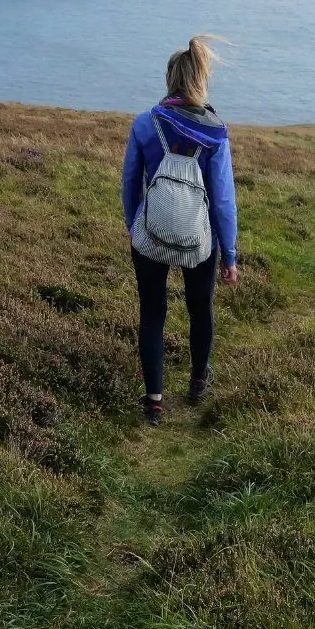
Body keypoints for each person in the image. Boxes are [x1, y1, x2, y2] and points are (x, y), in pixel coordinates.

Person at [121, 35, 238, 425]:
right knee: (199, 308)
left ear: (171, 78)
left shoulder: (145, 123)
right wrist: (230, 254)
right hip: (199, 239)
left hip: (149, 234)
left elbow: (130, 181)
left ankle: (153, 401)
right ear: (201, 78)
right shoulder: (216, 133)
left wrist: (134, 228)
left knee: (153, 313)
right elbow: (222, 201)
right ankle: (197, 382)